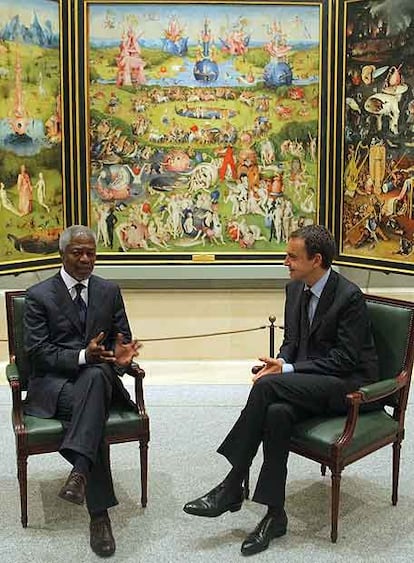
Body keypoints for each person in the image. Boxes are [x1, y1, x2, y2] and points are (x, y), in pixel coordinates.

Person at [183, 224, 379, 556]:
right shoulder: (294, 290)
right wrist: (280, 361)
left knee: (267, 387)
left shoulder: (349, 297)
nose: (285, 262)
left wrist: (286, 371)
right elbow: (291, 342)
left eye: (291, 256)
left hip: (346, 385)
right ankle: (275, 514)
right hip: (309, 382)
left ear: (316, 260)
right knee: (276, 412)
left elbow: (344, 360)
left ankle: (233, 483)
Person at [24, 225, 141, 558]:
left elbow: (122, 338)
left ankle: (79, 474)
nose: (86, 259)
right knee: (94, 402)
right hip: (55, 387)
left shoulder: (109, 290)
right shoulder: (38, 295)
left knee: (96, 378)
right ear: (62, 254)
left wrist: (121, 357)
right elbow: (37, 353)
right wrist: (81, 356)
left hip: (98, 381)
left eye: (91, 252)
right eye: (78, 252)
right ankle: (99, 516)